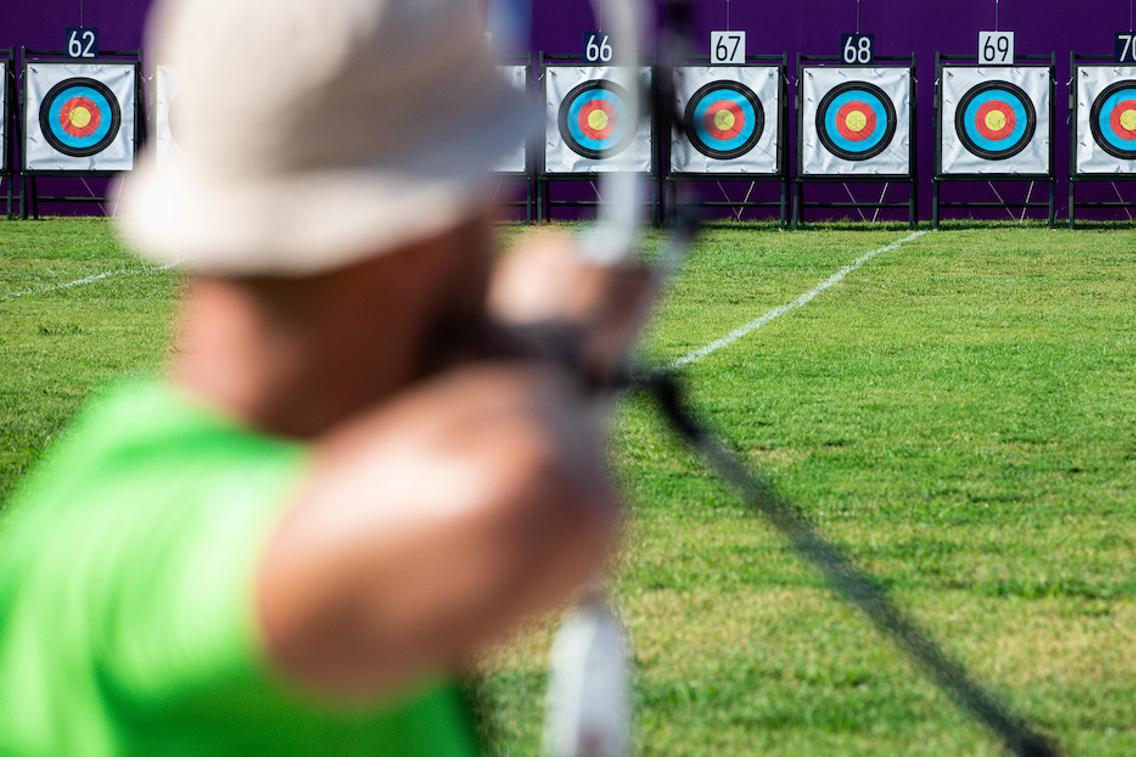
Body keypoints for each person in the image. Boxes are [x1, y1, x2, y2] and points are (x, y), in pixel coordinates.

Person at [0, 0, 653, 753]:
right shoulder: (138, 538)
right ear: (426, 226)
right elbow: (532, 496)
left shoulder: (148, 476)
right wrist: (546, 344)